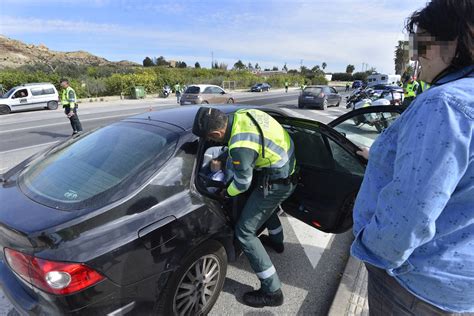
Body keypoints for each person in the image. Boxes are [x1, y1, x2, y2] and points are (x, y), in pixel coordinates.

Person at [352, 0, 474, 314]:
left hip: (415, 285)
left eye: (421, 46)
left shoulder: (445, 104)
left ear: (457, 42)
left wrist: (371, 249)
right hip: (460, 286)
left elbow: (409, 215)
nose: (418, 57)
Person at [192, 107, 296, 308]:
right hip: (286, 166)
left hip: (277, 181)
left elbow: (242, 184)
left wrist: (225, 192)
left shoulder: (240, 145)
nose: (214, 143)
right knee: (265, 208)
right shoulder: (243, 114)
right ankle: (277, 241)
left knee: (244, 233)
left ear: (215, 134)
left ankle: (272, 291)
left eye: (213, 140)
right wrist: (224, 158)